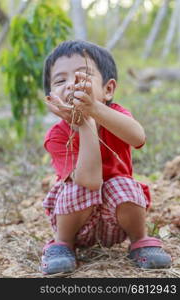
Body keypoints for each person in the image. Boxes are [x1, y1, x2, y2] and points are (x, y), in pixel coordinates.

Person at [41, 40, 172, 275]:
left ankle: (139, 240)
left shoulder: (116, 115)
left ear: (108, 90)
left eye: (82, 77)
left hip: (118, 221)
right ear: (51, 98)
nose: (71, 85)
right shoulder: (57, 136)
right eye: (60, 80)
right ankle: (62, 245)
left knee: (124, 184)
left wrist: (94, 110)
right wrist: (85, 124)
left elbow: (138, 137)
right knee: (75, 188)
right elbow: (89, 182)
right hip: (78, 223)